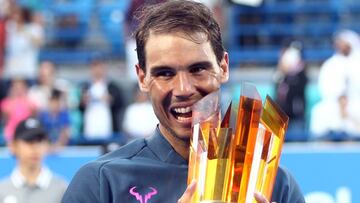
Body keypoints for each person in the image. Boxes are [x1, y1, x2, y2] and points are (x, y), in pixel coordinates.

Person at [62, 1, 305, 203]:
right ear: (142, 77)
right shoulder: (101, 183)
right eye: (165, 73)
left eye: (198, 69)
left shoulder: (275, 185)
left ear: (224, 67)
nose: (184, 89)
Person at [0, 117, 68, 203]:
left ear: (47, 145)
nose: (35, 147)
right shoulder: (2, 191)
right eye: (28, 141)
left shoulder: (62, 190)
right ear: (13, 146)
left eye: (39, 141)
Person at [79, 57, 125, 140]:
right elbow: (79, 108)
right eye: (94, 66)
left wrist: (111, 100)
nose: (97, 70)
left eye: (100, 66)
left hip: (108, 127)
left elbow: (120, 104)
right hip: (90, 127)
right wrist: (83, 102)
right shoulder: (84, 87)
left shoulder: (113, 87)